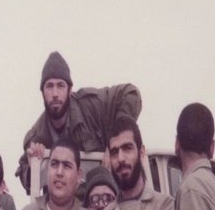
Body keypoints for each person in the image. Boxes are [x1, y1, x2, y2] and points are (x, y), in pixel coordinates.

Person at [15, 51, 142, 194]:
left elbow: (131, 94)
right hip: (65, 203)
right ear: (42, 93)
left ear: (70, 90)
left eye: (60, 86)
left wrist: (114, 142)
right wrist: (34, 166)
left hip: (105, 197)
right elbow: (24, 175)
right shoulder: (36, 136)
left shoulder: (91, 106)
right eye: (49, 86)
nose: (55, 93)